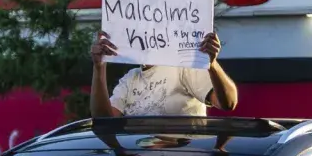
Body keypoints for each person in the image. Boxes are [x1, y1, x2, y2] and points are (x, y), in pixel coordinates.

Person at [89, 31, 239, 117]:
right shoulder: (130, 79)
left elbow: (228, 103)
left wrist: (211, 65)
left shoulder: (183, 67)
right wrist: (99, 67)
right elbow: (104, 121)